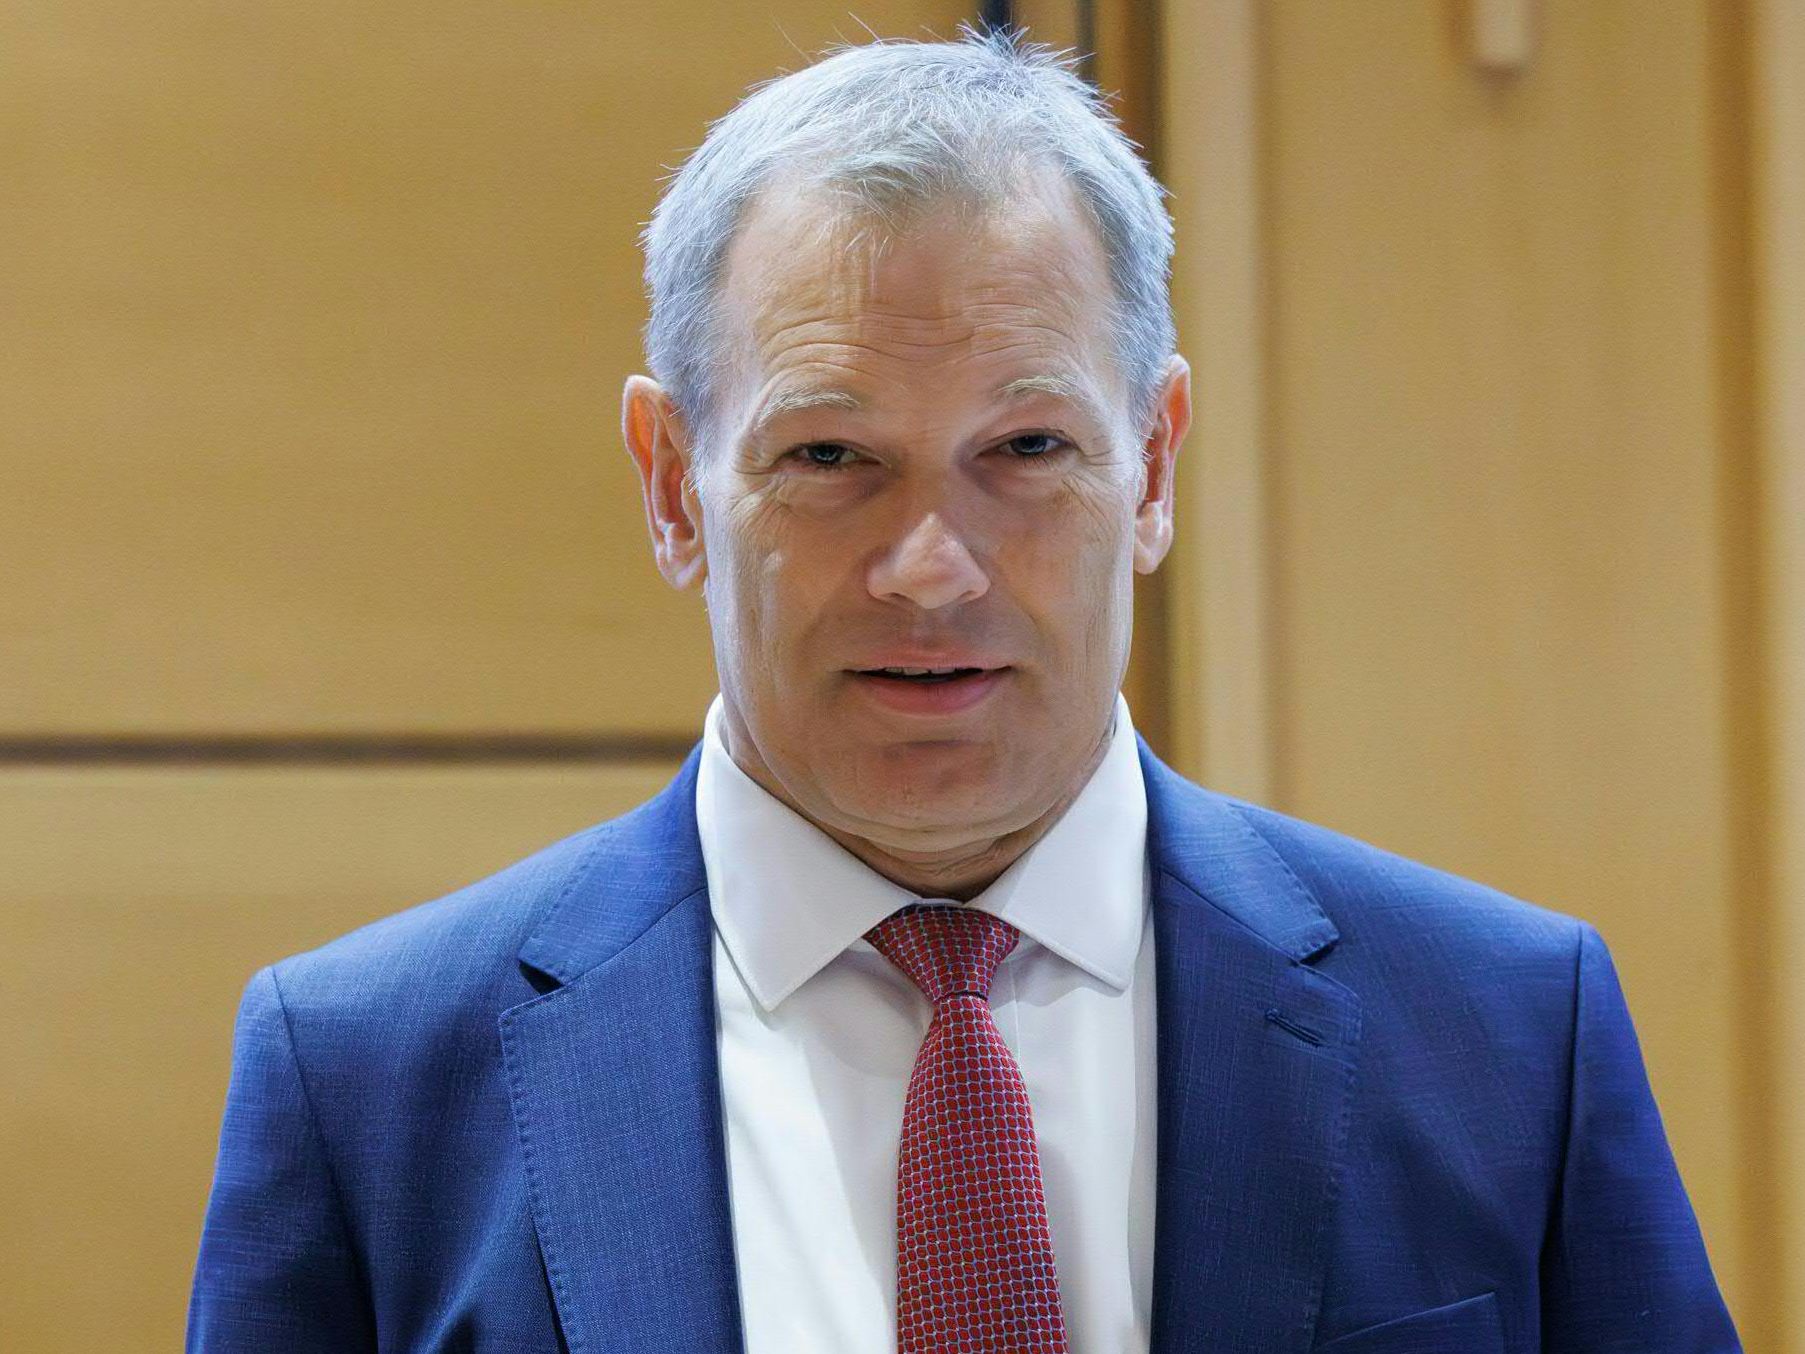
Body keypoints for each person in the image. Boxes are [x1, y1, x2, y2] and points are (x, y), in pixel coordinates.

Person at [186, 28, 1740, 1354]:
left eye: (1026, 448)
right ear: (669, 486)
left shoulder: (1506, 1033)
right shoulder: (366, 1082)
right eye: (828, 456)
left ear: (1154, 467)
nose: (930, 567)